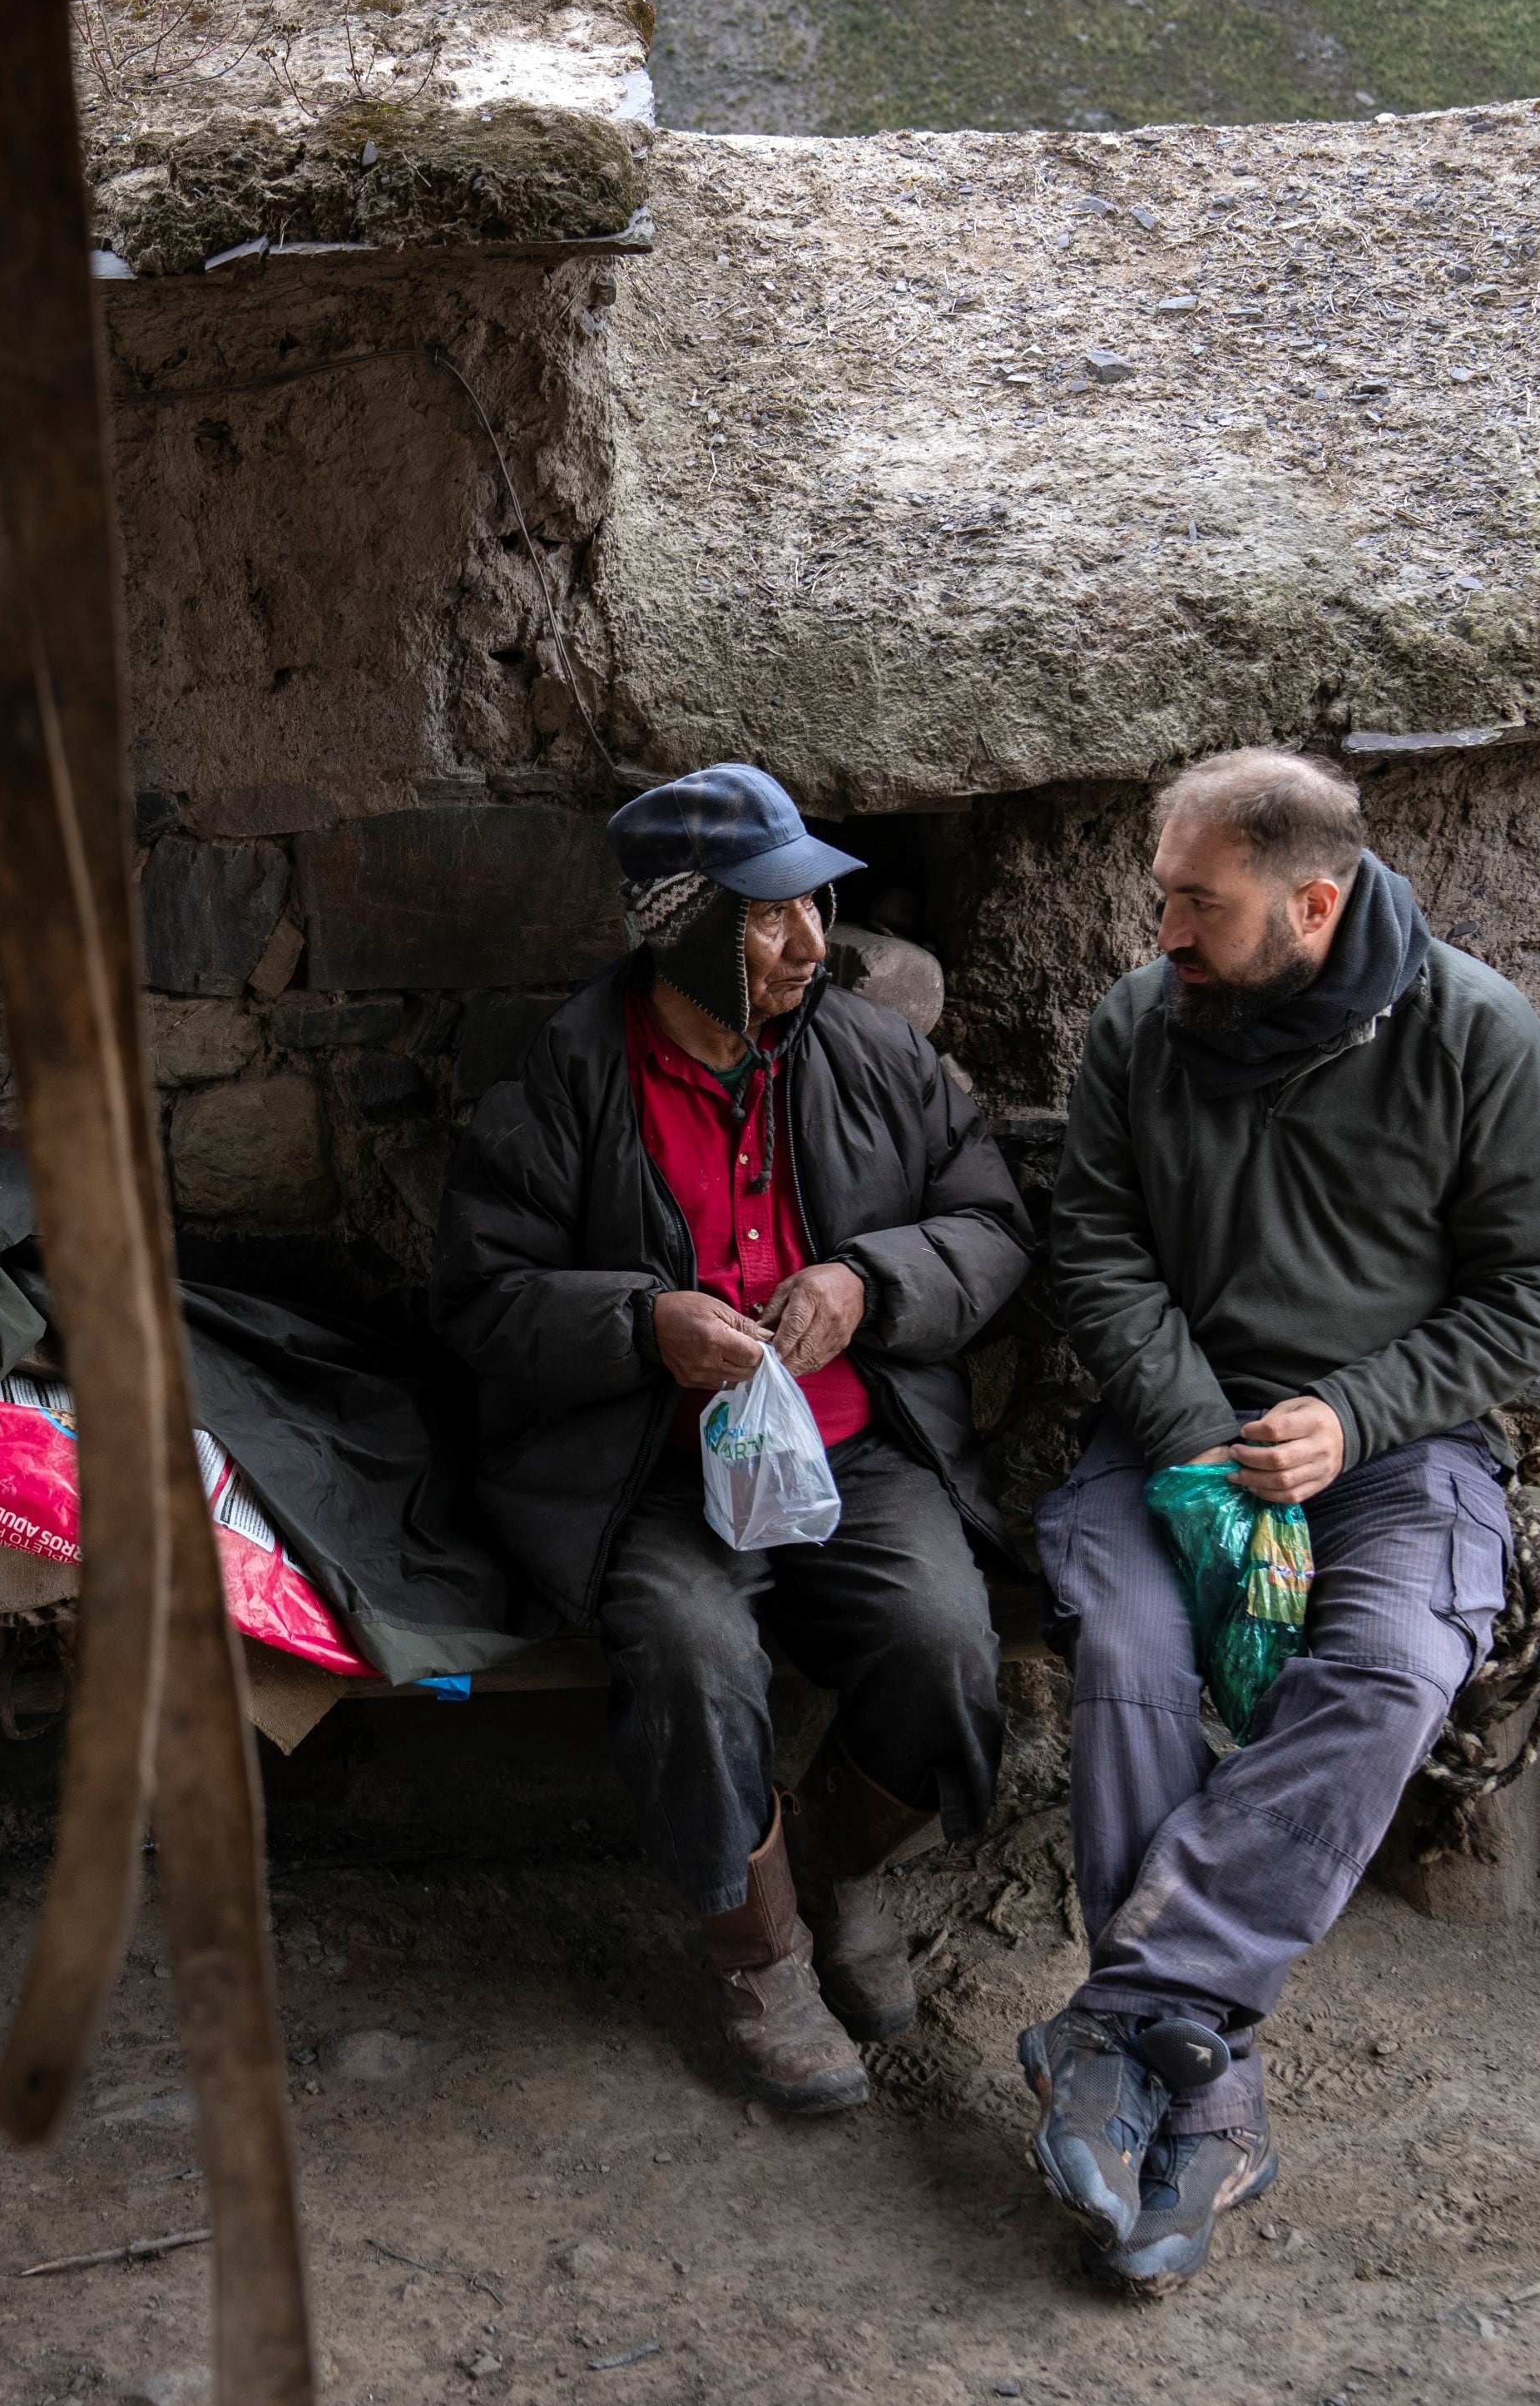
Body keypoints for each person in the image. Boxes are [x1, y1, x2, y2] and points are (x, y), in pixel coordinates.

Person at [1025, 747, 1540, 2294]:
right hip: (1178, 1434)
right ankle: (1210, 2097)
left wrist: (1361, 1413)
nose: (1164, 936)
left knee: (1396, 1666)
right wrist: (1204, 1438)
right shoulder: (1141, 1029)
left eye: (1197, 905)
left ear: (1314, 904)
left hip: (1397, 1448)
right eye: (1163, 897)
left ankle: (1133, 2024)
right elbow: (1095, 1244)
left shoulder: (1474, 1034)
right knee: (1130, 1647)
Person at [433, 764, 1034, 2113]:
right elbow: (481, 1301)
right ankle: (762, 1956)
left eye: (817, 906)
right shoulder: (572, 1076)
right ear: (687, 926)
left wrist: (868, 1282)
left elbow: (995, 1229)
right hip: (651, 1471)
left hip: (857, 1450)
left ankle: (837, 1869)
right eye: (772, 919)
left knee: (947, 1650)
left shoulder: (871, 1056)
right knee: (695, 1658)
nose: (814, 945)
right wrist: (643, 1327)